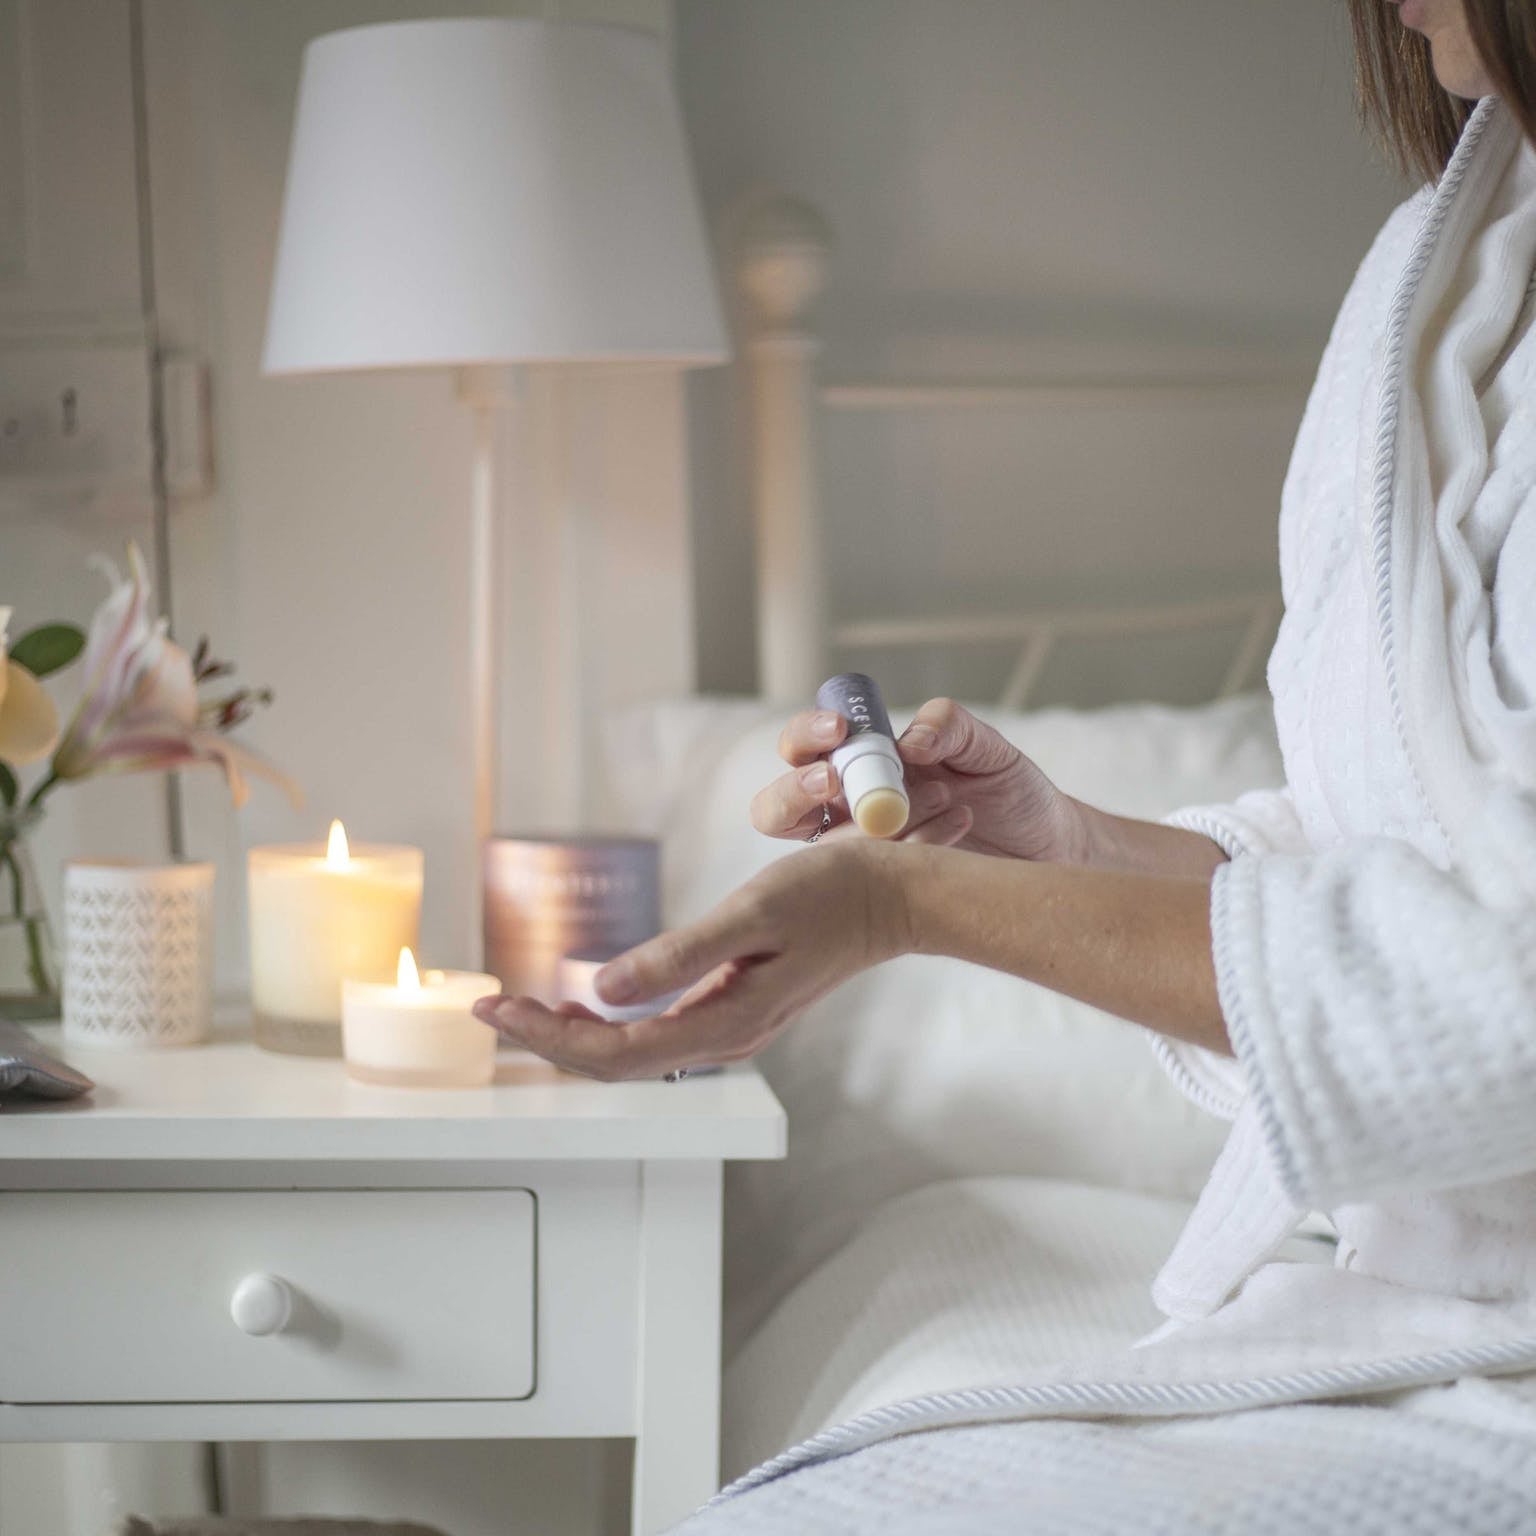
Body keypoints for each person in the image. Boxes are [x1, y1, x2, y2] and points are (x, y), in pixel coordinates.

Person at [477, 1, 1536, 1527]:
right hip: (1429, 1312)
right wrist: (1058, 852)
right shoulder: (1445, 268)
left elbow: (1498, 982)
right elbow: (1403, 859)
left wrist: (909, 909)